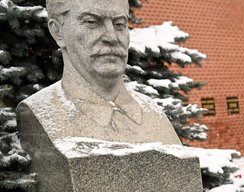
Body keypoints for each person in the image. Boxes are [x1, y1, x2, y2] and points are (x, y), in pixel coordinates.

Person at [17, 0, 180, 145]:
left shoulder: (155, 115)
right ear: (58, 31)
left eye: (119, 24)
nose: (112, 37)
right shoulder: (42, 113)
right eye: (92, 22)